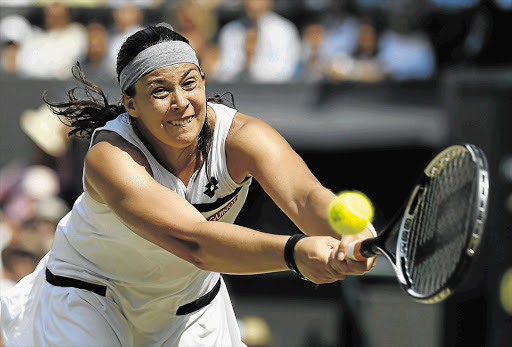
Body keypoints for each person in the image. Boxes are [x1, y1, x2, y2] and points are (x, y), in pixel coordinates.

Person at [0, 23, 376, 346]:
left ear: (203, 82)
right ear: (130, 104)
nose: (181, 102)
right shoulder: (110, 157)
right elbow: (195, 242)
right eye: (160, 91)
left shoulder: (245, 137)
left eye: (189, 83)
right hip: (90, 297)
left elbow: (305, 196)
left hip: (191, 306)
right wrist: (294, 253)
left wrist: (350, 233)